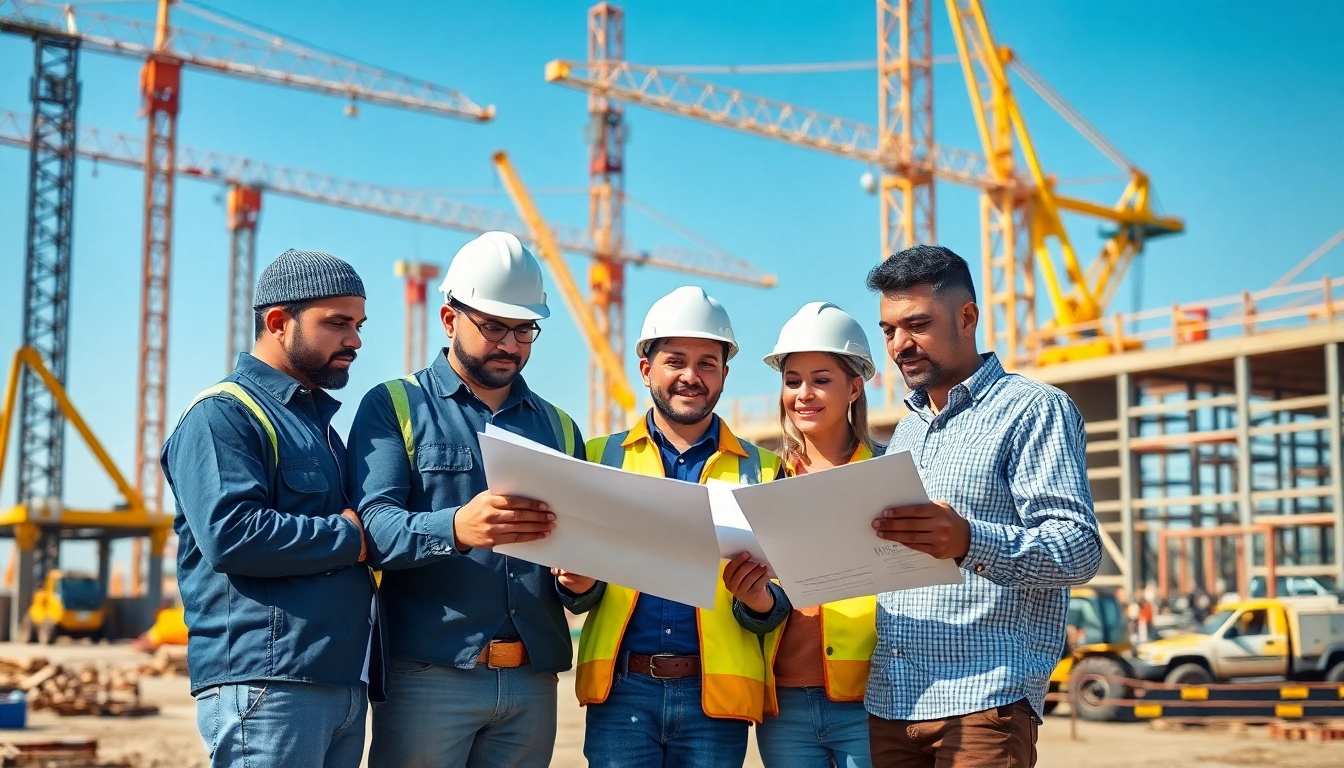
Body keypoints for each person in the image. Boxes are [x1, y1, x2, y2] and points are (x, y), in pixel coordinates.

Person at [346, 232, 599, 768]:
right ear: (448, 318)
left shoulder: (559, 427)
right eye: (493, 326)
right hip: (428, 675)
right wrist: (457, 527)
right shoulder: (395, 405)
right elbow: (373, 528)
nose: (510, 343)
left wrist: (582, 581)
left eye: (524, 328)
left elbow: (581, 556)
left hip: (532, 678)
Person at [865, 245, 1102, 767]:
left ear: (967, 317)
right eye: (888, 330)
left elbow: (1079, 548)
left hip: (983, 705)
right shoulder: (906, 429)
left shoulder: (1034, 410)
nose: (900, 344)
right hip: (891, 705)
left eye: (917, 324)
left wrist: (969, 540)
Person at [162, 250, 376, 768]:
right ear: (278, 322)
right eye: (337, 324)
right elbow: (231, 534)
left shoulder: (320, 429)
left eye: (359, 325)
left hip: (340, 681)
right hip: (267, 683)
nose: (355, 340)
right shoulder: (223, 415)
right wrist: (353, 537)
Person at [571, 286, 790, 767]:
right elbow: (580, 593)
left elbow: (782, 606)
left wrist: (759, 601)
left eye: (707, 363)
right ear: (647, 368)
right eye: (675, 361)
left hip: (715, 699)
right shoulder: (596, 459)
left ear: (725, 375)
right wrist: (577, 585)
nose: (691, 376)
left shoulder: (765, 470)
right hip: (621, 693)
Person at [757, 302, 883, 768]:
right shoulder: (764, 478)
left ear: (854, 387)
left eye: (821, 379)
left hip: (869, 700)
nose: (803, 394)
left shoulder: (888, 475)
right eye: (792, 381)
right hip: (783, 703)